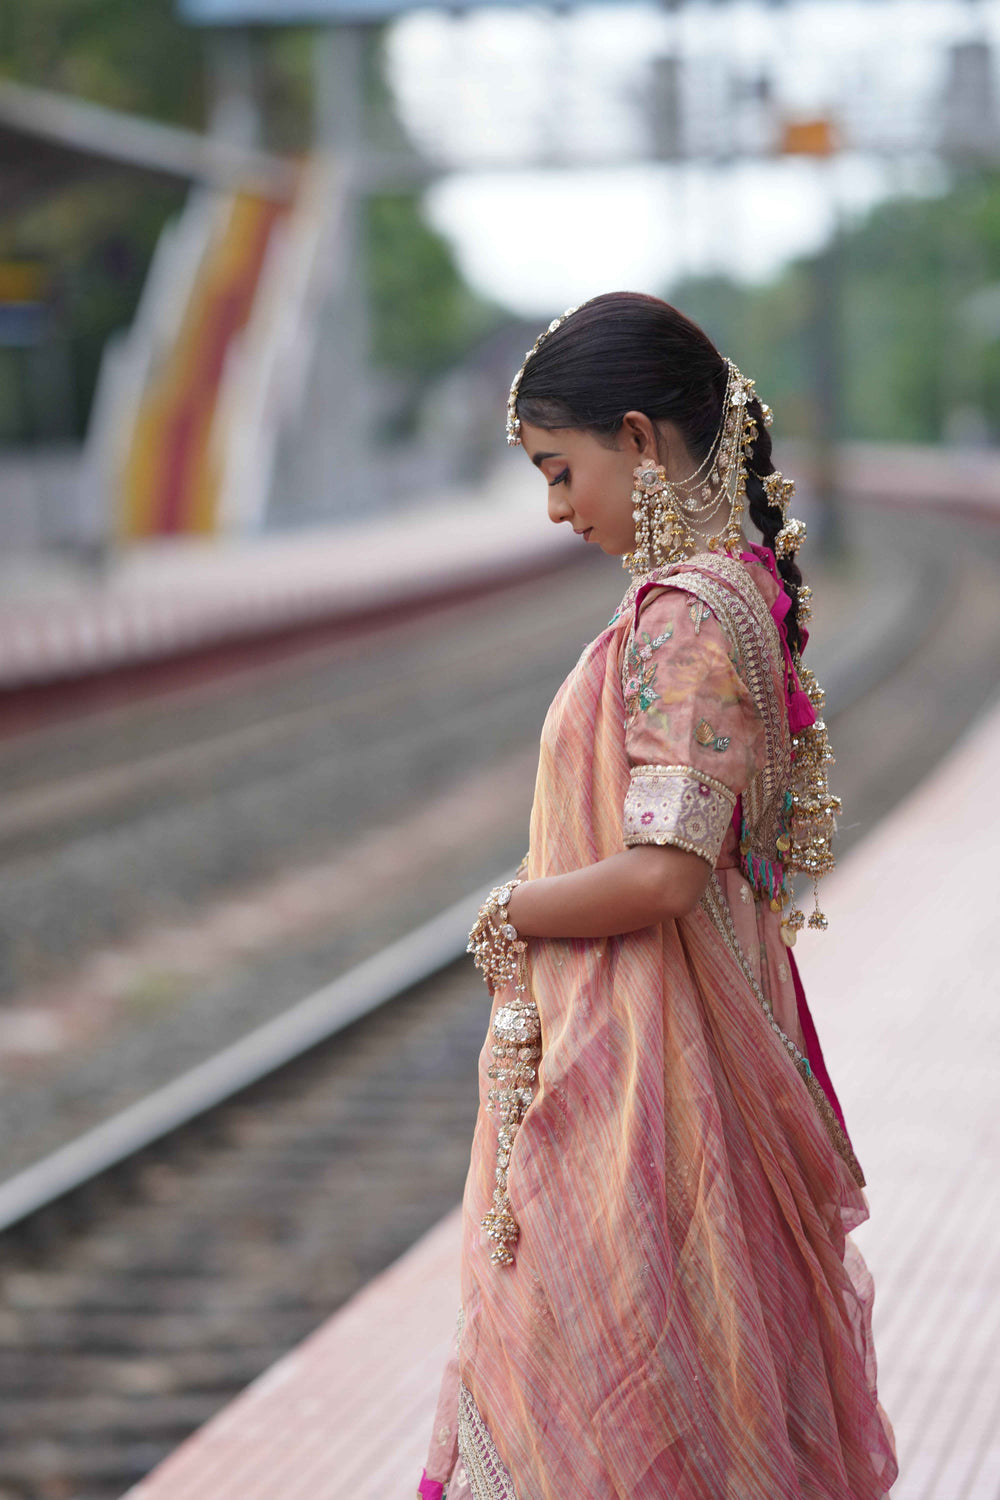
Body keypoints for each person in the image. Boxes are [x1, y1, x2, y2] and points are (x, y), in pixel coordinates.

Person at [417, 292, 898, 1500]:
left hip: (647, 1073)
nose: (554, 507)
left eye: (558, 468)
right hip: (681, 1044)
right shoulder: (732, 592)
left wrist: (510, 910)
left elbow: (666, 870)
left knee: (605, 1382)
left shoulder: (681, 616)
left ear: (638, 439)